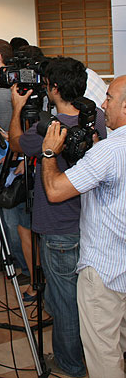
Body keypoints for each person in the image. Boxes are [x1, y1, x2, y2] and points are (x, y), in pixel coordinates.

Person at [9, 57, 107, 378]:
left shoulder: (52, 129)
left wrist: (17, 108)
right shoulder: (100, 121)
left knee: (64, 302)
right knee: (91, 300)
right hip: (93, 226)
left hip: (59, 228)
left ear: (52, 88)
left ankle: (70, 364)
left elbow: (14, 143)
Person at [40, 75, 126, 378]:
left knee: (103, 353)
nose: (103, 105)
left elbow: (55, 190)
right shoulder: (107, 149)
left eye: (111, 99)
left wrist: (49, 153)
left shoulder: (110, 152)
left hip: (104, 269)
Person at [0, 38, 33, 294]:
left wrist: (20, 156)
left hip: (12, 161)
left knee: (13, 218)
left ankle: (25, 268)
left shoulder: (8, 90)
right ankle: (9, 258)